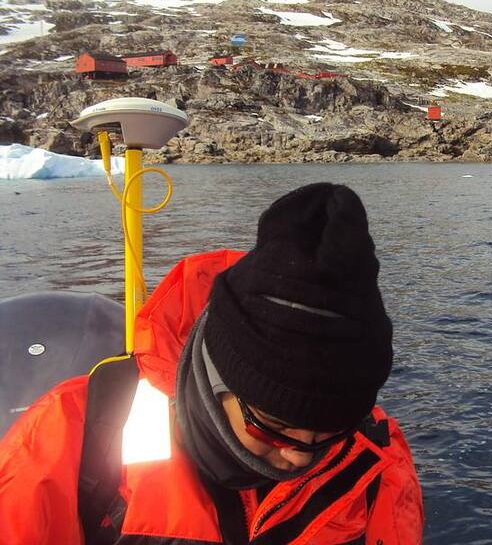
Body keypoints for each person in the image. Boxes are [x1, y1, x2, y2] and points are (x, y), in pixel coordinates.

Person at [0, 182, 424, 544]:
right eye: (271, 426)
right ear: (219, 378)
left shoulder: (377, 460)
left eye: (331, 431)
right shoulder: (72, 436)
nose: (300, 456)